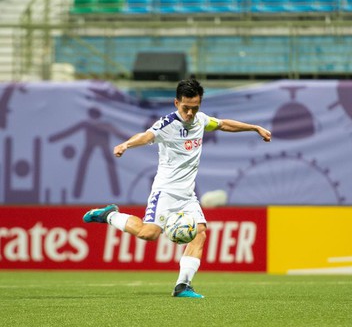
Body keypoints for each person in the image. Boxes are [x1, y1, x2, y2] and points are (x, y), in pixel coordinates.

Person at [83, 78, 272, 298]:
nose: (190, 113)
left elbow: (223, 124)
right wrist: (126, 144)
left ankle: (183, 285)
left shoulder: (200, 120)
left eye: (195, 108)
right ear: (176, 103)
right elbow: (146, 136)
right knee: (148, 233)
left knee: (200, 233)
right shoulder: (167, 124)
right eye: (186, 108)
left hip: (187, 194)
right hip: (165, 191)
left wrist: (254, 128)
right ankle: (109, 215)